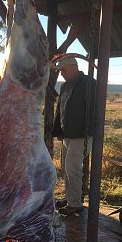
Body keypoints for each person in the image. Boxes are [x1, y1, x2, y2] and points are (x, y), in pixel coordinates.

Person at [52, 57, 96, 216]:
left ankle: (75, 204)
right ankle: (71, 198)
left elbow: (94, 109)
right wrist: (58, 131)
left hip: (82, 134)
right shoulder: (64, 86)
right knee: (66, 168)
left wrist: (90, 132)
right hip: (68, 134)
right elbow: (60, 109)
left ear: (73, 67)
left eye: (63, 70)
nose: (62, 74)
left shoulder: (88, 83)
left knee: (72, 168)